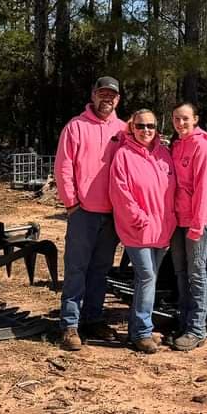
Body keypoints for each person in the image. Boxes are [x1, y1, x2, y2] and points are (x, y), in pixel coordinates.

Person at [54, 76, 128, 351]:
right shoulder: (75, 127)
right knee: (76, 268)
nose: (106, 98)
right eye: (102, 93)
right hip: (83, 212)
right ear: (93, 95)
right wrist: (72, 204)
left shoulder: (124, 130)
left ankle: (93, 319)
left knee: (101, 269)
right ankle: (70, 325)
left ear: (118, 99)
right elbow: (63, 167)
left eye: (112, 95)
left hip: (112, 214)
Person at [108, 109, 176, 353]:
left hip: (162, 229)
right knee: (146, 276)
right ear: (132, 128)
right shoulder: (123, 156)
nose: (145, 130)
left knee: (149, 279)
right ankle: (141, 333)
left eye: (150, 126)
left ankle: (141, 326)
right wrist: (138, 218)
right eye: (140, 126)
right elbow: (120, 192)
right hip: (137, 230)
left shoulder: (164, 154)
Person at [169, 102, 207, 351]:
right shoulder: (176, 146)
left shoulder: (202, 148)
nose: (180, 123)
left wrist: (197, 225)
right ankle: (184, 321)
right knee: (180, 272)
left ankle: (197, 329)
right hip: (178, 220)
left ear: (195, 119)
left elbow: (202, 190)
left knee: (196, 273)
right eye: (176, 119)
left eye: (185, 119)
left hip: (197, 220)